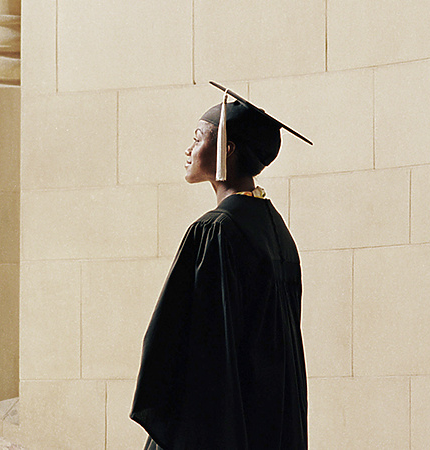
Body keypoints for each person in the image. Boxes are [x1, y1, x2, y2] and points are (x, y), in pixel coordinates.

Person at [129, 83, 310, 450]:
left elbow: (182, 343)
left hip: (223, 425)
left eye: (198, 139)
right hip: (268, 421)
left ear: (227, 148)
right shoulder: (277, 231)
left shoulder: (216, 231)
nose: (188, 149)